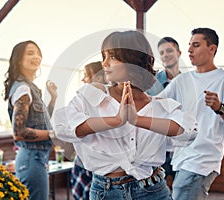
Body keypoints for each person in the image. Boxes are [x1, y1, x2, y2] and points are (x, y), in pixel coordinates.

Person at [54, 30, 197, 200]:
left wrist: (138, 120)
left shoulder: (161, 105)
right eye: (104, 56)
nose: (105, 63)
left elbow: (189, 133)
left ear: (133, 60)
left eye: (113, 57)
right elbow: (63, 128)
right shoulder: (92, 96)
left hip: (153, 191)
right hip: (105, 193)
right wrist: (115, 121)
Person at [158, 28, 224, 200]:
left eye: (196, 45)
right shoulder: (181, 80)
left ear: (212, 49)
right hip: (181, 157)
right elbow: (155, 104)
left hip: (203, 161)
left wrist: (220, 108)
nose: (190, 50)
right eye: (189, 45)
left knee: (182, 189)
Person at [3, 40, 57, 200]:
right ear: (19, 59)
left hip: (35, 158)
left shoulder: (27, 88)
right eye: (30, 53)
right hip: (32, 158)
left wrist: (53, 98)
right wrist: (54, 134)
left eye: (38, 53)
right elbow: (19, 133)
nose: (36, 57)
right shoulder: (23, 89)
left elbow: (41, 121)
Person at [147, 37, 182, 190]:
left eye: (169, 50)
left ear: (179, 53)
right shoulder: (151, 83)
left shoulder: (188, 82)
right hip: (159, 144)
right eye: (161, 53)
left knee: (181, 188)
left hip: (182, 144)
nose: (165, 55)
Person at [71, 61, 106, 200]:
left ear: (97, 78)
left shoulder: (91, 101)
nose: (83, 79)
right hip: (85, 163)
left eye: (86, 75)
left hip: (92, 167)